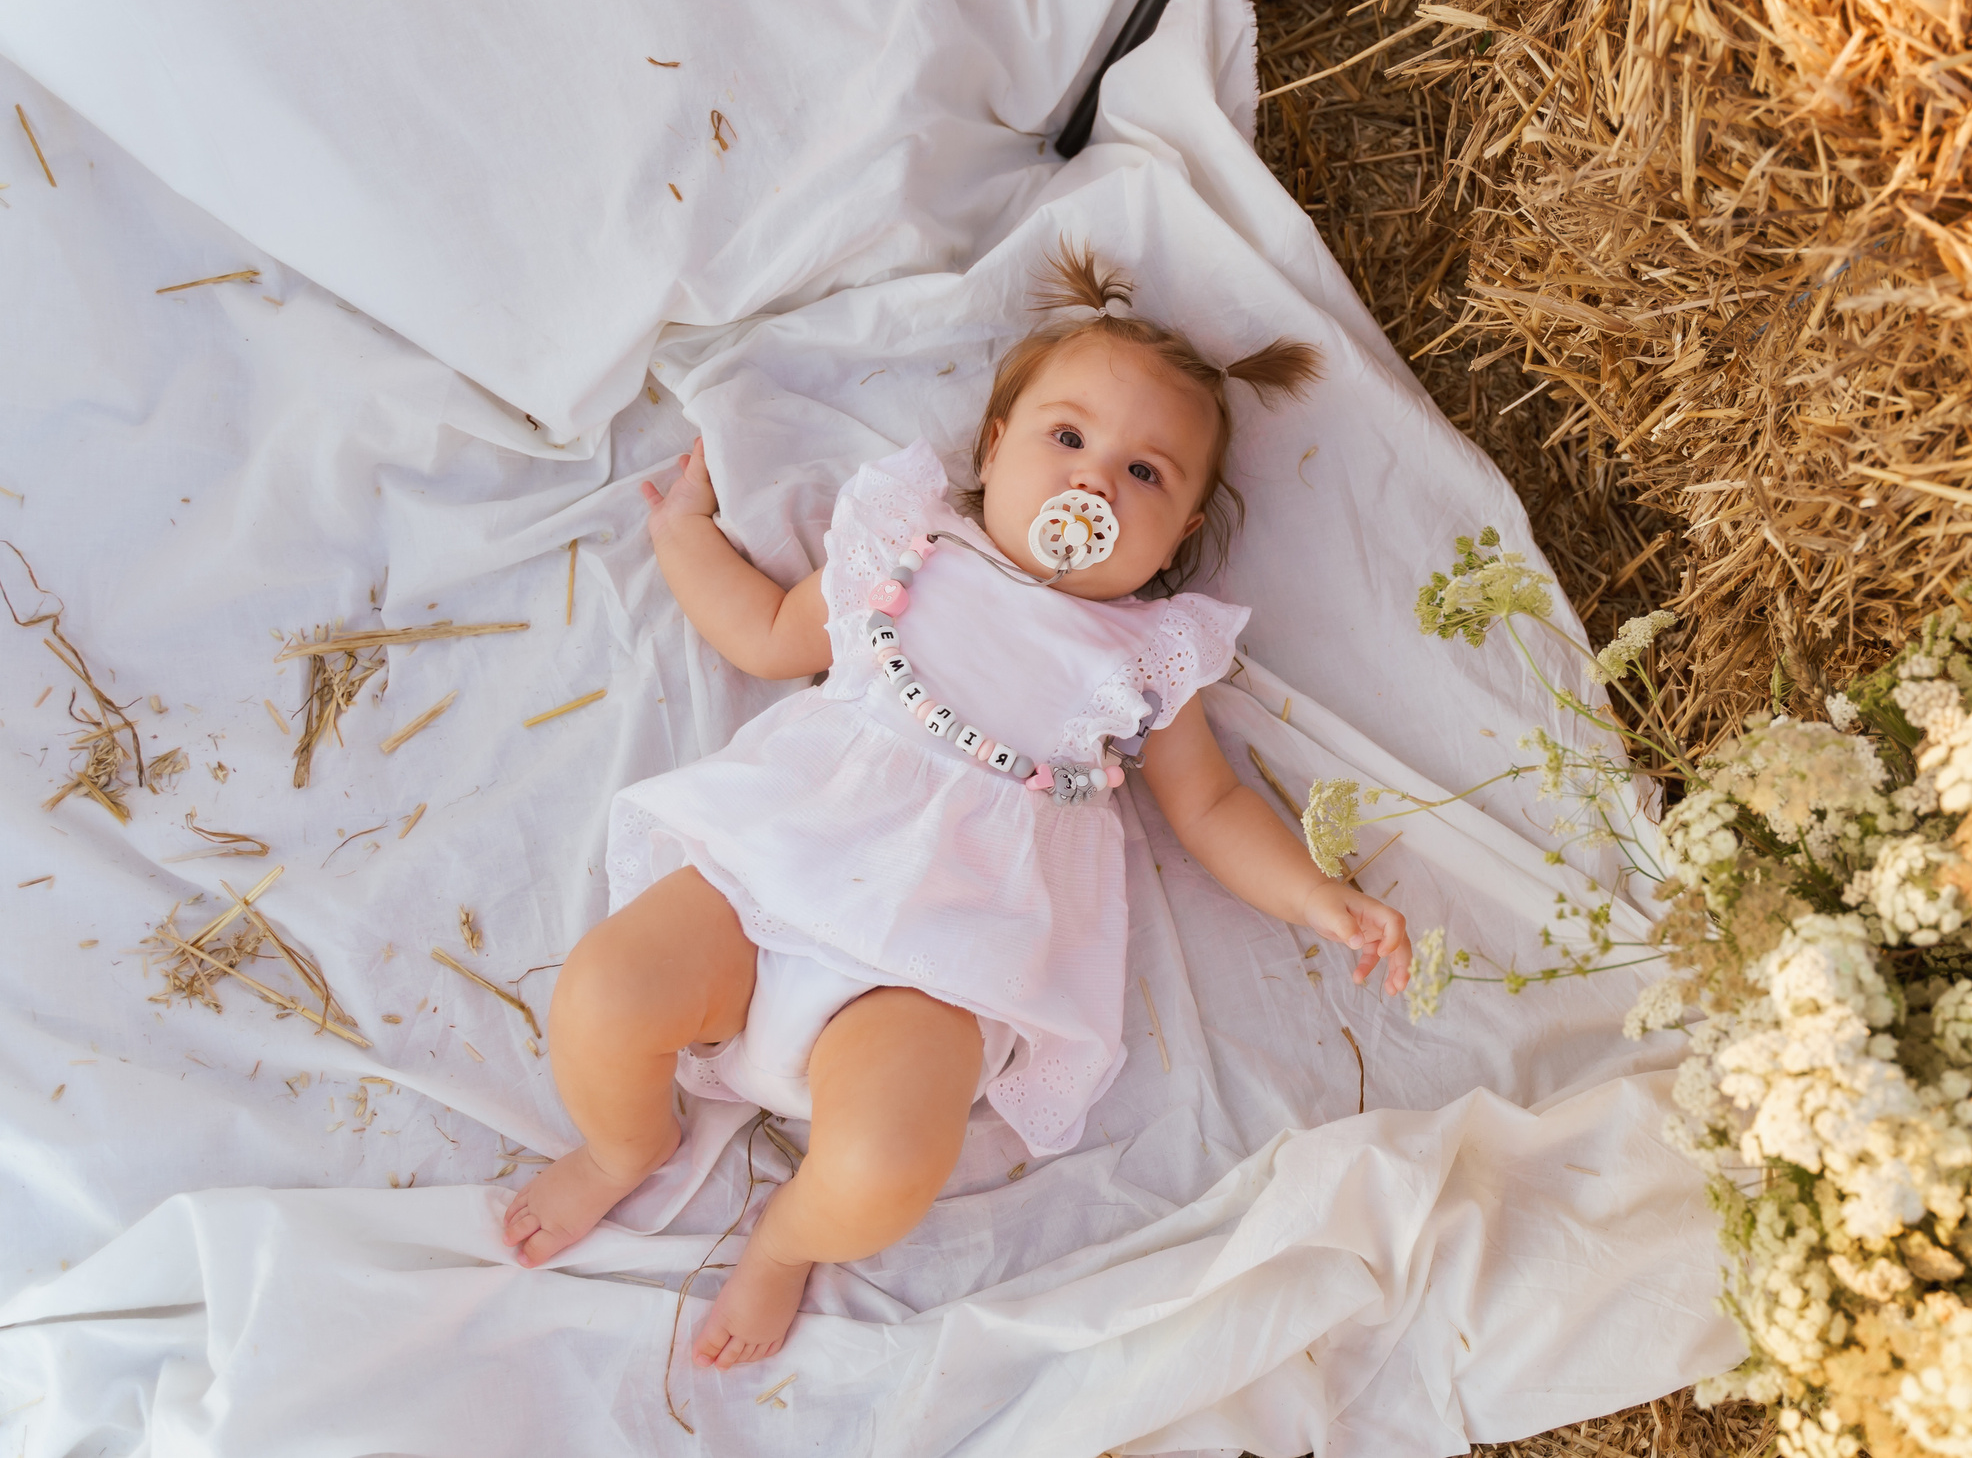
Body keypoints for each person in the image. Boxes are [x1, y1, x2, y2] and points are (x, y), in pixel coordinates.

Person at [500, 246, 1412, 1369]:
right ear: (995, 448)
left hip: (941, 966)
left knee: (886, 1168)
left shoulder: (1149, 659)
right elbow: (764, 636)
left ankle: (786, 1244)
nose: (1093, 486)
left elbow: (1212, 805)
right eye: (1067, 439)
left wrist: (1317, 896)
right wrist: (683, 538)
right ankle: (621, 1143)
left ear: (1177, 540)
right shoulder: (912, 555)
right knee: (603, 992)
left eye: (1146, 476)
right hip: (772, 883)